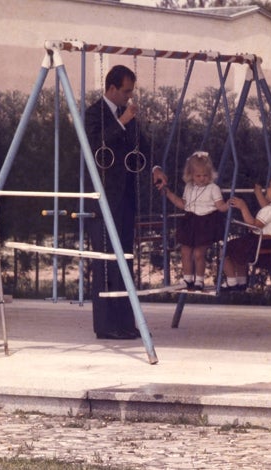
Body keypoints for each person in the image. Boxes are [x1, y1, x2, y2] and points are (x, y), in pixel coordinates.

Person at [84, 64, 166, 340]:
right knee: (106, 260)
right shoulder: (94, 114)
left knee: (125, 259)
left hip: (125, 197)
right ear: (111, 89)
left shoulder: (125, 114)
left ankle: (126, 323)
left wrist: (154, 167)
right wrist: (123, 122)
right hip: (103, 197)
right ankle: (107, 326)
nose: (129, 97)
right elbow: (97, 147)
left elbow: (141, 144)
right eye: (126, 91)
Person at [157, 151, 228, 290]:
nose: (202, 179)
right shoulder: (188, 188)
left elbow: (220, 207)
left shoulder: (213, 188)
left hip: (206, 222)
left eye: (205, 175)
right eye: (198, 176)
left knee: (199, 253)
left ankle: (199, 280)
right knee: (185, 251)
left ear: (210, 174)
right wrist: (169, 194)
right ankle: (187, 278)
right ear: (191, 175)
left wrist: (228, 205)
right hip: (190, 221)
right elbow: (183, 205)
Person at [222, 173, 271, 291]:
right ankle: (241, 282)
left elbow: (253, 226)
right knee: (238, 252)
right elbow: (267, 208)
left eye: (269, 187)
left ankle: (231, 282)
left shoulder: (269, 211)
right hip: (270, 249)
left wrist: (243, 207)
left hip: (255, 246)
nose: (267, 189)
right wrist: (258, 193)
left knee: (227, 251)